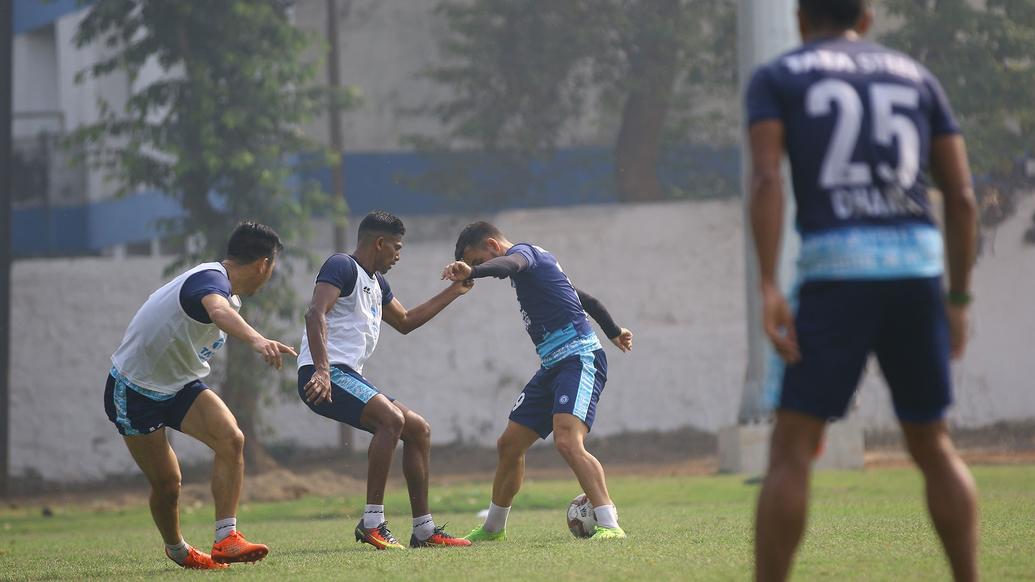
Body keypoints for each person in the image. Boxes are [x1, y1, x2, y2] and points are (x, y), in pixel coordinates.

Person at [745, 1, 979, 580]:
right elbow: (964, 197)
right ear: (867, 19)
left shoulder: (778, 76)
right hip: (916, 274)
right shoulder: (916, 76)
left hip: (835, 273)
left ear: (800, 20)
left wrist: (770, 283)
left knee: (793, 449)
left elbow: (769, 177)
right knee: (934, 445)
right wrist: (958, 299)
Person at [105, 222, 297, 570]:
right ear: (263, 265)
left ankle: (226, 539)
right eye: (273, 268)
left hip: (180, 385)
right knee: (168, 485)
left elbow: (223, 310)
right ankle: (178, 550)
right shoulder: (211, 280)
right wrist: (258, 340)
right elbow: (218, 312)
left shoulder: (225, 290)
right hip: (135, 391)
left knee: (232, 439)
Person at [442, 222, 634, 541]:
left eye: (477, 260)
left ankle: (610, 524)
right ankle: (493, 528)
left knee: (567, 440)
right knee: (509, 444)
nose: (478, 268)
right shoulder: (537, 269)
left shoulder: (524, 254)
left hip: (579, 359)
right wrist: (614, 331)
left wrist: (473, 272)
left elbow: (508, 263)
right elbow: (587, 299)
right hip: (553, 365)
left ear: (491, 244)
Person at [297, 211, 473, 549]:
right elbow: (315, 312)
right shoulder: (341, 266)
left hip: (346, 375)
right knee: (391, 420)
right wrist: (321, 369)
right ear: (379, 243)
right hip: (325, 372)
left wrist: (454, 291)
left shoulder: (378, 283)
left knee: (418, 429)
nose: (398, 255)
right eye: (396, 247)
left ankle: (424, 530)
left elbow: (405, 321)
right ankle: (372, 522)